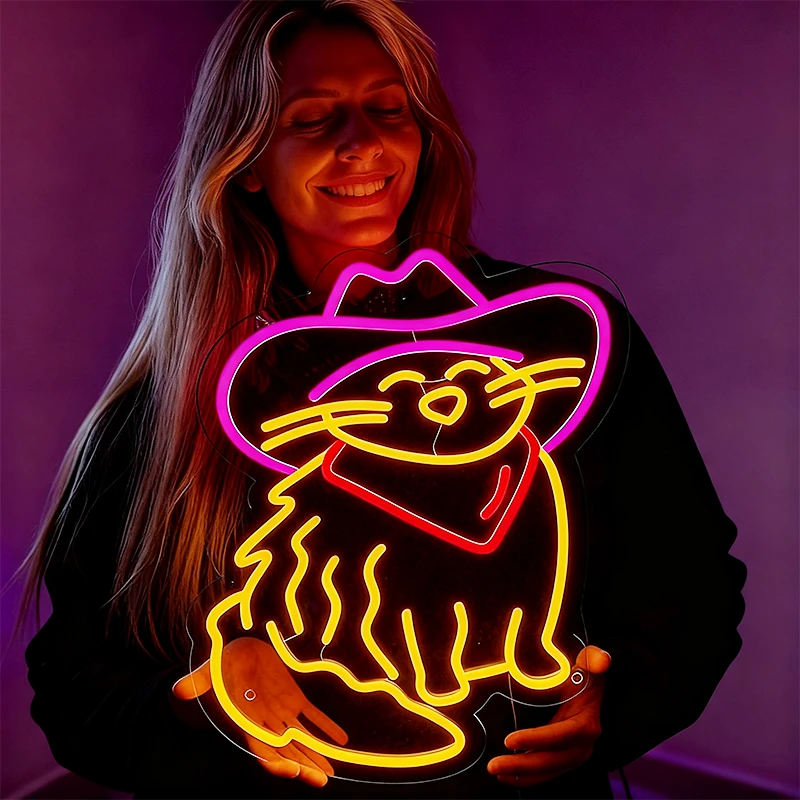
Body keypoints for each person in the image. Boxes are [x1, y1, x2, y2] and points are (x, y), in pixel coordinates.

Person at [20, 0, 745, 798]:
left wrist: (620, 702)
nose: (359, 142)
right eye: (313, 118)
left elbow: (695, 586)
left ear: (422, 133)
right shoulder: (168, 407)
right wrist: (208, 698)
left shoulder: (563, 350)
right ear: (246, 160)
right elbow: (74, 686)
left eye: (387, 109)